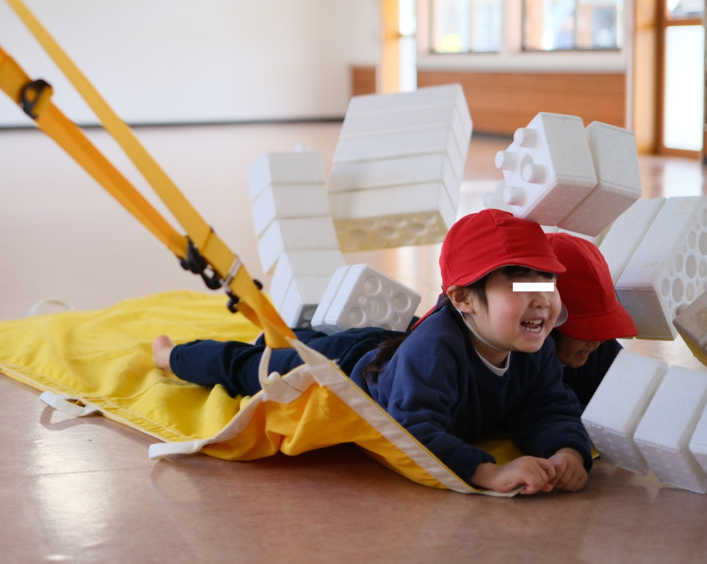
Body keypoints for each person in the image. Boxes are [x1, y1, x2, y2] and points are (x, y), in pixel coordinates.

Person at [153, 209, 593, 494]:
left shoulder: (534, 348)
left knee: (313, 336)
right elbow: (411, 430)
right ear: (463, 299)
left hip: (389, 343)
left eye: (548, 282)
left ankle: (303, 330)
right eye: (522, 285)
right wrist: (488, 472)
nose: (543, 300)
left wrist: (567, 451)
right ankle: (173, 355)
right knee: (253, 367)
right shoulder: (436, 352)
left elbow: (549, 407)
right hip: (345, 366)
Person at [546, 232, 638, 407]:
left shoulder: (602, 353)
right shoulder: (522, 368)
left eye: (602, 329)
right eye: (585, 331)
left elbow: (627, 399)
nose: (596, 342)